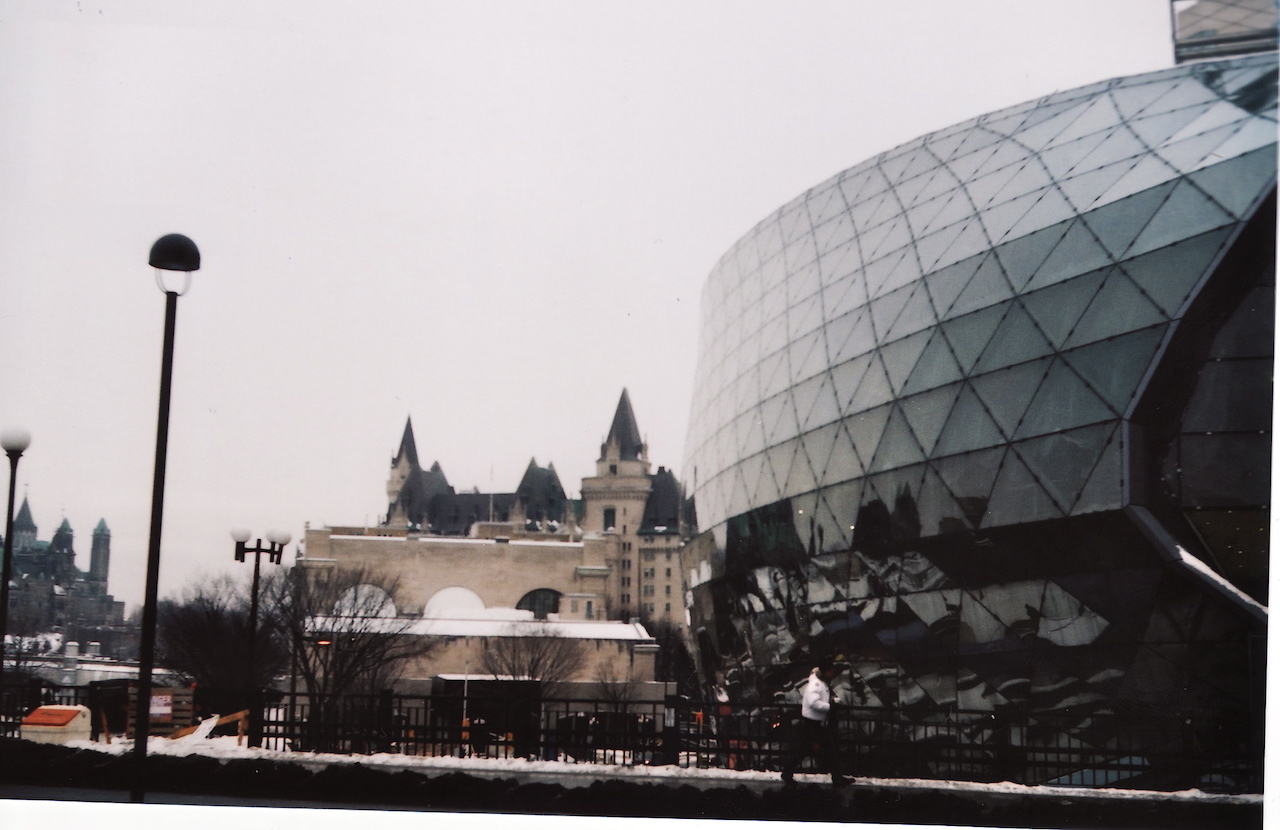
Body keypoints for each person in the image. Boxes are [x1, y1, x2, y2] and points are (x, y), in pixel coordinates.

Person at [781, 658, 849, 786]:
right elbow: (813, 702)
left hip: (815, 723)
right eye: (831, 671)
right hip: (813, 724)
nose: (832, 673)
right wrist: (829, 706)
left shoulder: (820, 682)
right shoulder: (816, 684)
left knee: (806, 749)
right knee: (826, 749)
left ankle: (787, 772)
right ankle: (837, 778)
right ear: (826, 671)